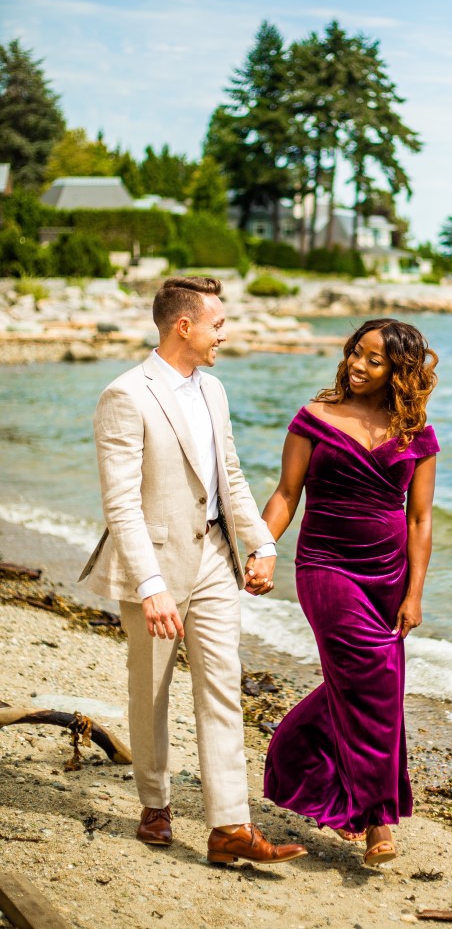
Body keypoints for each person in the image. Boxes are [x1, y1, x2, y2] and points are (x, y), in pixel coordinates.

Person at [79, 276, 307, 867]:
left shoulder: (215, 390)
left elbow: (230, 476)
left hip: (214, 558)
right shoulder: (125, 395)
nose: (223, 334)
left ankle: (229, 826)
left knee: (222, 686)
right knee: (150, 689)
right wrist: (150, 586)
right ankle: (154, 804)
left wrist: (261, 542)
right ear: (184, 326)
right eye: (217, 324)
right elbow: (120, 505)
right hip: (154, 564)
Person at [262, 318, 439, 867]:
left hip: (387, 577)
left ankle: (295, 756)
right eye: (355, 353)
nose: (358, 365)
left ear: (398, 371)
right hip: (325, 566)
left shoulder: (416, 433)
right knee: (374, 681)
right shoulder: (314, 418)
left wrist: (414, 593)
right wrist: (261, 549)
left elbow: (420, 519)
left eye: (374, 360)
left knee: (373, 686)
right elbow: (286, 494)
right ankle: (377, 820)